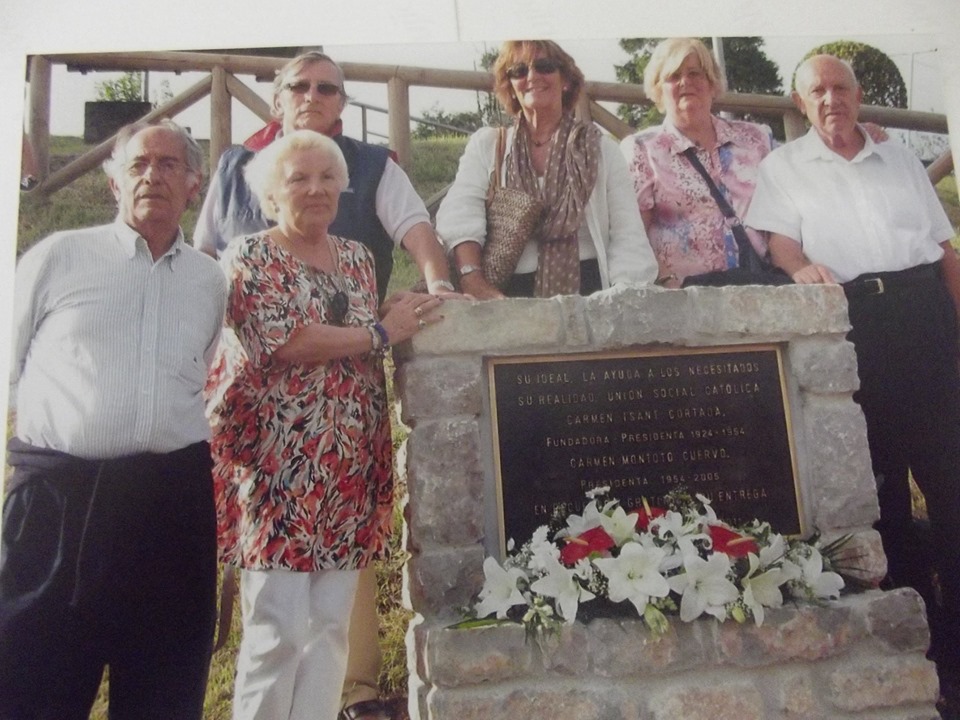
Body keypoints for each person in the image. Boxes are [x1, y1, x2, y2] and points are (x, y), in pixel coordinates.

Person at [194, 51, 458, 720]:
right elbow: (288, 341)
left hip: (347, 465)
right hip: (278, 467)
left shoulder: (357, 258)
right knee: (277, 629)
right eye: (298, 179)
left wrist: (409, 302)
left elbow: (364, 315)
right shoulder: (250, 256)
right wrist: (382, 332)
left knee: (330, 630)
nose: (315, 189)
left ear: (343, 189)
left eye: (326, 179)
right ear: (271, 193)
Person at [745, 54, 960, 713]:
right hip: (856, 324)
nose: (831, 99)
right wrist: (801, 268)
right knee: (884, 494)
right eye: (818, 90)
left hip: (927, 318)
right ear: (800, 101)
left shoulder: (899, 160)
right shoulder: (784, 166)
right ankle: (921, 648)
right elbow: (779, 244)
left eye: (841, 87)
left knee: (952, 484)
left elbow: (943, 249)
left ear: (859, 95)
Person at [2, 119, 226, 719]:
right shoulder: (58, 256)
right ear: (114, 183)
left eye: (169, 164)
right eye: (138, 164)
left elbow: (198, 371)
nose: (152, 175)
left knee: (164, 691)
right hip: (58, 502)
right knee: (33, 687)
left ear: (194, 185)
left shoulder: (209, 281)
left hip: (170, 506)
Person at [193, 50, 455, 303]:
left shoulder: (375, 166)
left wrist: (439, 287)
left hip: (353, 324)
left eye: (326, 89)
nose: (311, 96)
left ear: (341, 104)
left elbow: (417, 231)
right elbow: (203, 252)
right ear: (278, 102)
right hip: (241, 324)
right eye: (299, 87)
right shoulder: (232, 167)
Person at [435, 39, 658, 299]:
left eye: (544, 66)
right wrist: (472, 279)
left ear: (566, 80)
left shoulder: (602, 151)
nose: (532, 76)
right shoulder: (488, 145)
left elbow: (627, 235)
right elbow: (459, 214)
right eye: (519, 71)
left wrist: (623, 297)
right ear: (511, 86)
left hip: (589, 293)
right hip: (504, 295)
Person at [619, 38, 775, 287]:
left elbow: (788, 214)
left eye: (695, 73)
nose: (685, 82)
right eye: (673, 76)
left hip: (762, 287)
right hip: (688, 295)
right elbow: (632, 236)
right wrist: (667, 284)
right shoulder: (642, 149)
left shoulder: (757, 139)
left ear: (712, 83)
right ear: (658, 90)